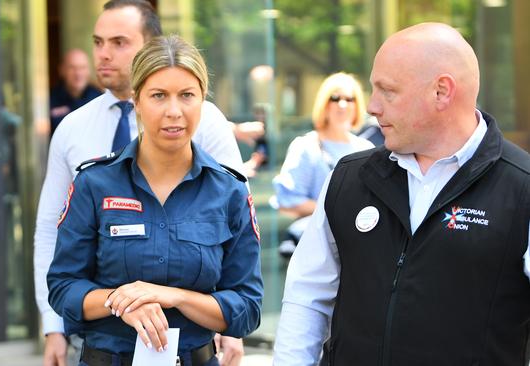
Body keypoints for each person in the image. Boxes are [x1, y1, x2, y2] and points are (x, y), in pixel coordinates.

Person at [273, 22, 530, 366]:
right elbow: (307, 296)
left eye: (387, 91)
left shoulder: (521, 187)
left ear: (441, 92)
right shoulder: (350, 178)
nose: (372, 106)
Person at [34, 1, 247, 365]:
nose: (104, 54)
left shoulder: (203, 119)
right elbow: (50, 230)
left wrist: (229, 327)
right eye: (98, 42)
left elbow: (230, 222)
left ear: (151, 45)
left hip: (191, 342)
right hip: (103, 338)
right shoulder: (73, 128)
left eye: (119, 42)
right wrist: (54, 325)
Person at [272, 72, 373, 257]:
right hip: (317, 249)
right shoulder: (306, 146)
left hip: (359, 247)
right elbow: (287, 200)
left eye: (349, 99)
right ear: (324, 104)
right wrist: (338, 209)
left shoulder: (366, 149)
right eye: (335, 98)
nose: (342, 104)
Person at [49, 49, 102, 136]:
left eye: (82, 68)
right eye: (72, 68)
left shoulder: (100, 99)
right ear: (62, 70)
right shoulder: (49, 100)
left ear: (89, 71)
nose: (78, 73)